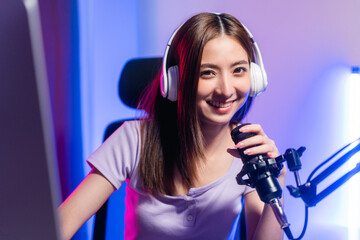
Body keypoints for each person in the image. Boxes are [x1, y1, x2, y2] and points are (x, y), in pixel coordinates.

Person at [58, 12, 286, 240]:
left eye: (238, 70)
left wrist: (279, 180)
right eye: (207, 73)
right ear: (175, 81)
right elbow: (61, 224)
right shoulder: (134, 139)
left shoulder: (249, 151)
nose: (225, 90)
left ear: (255, 77)